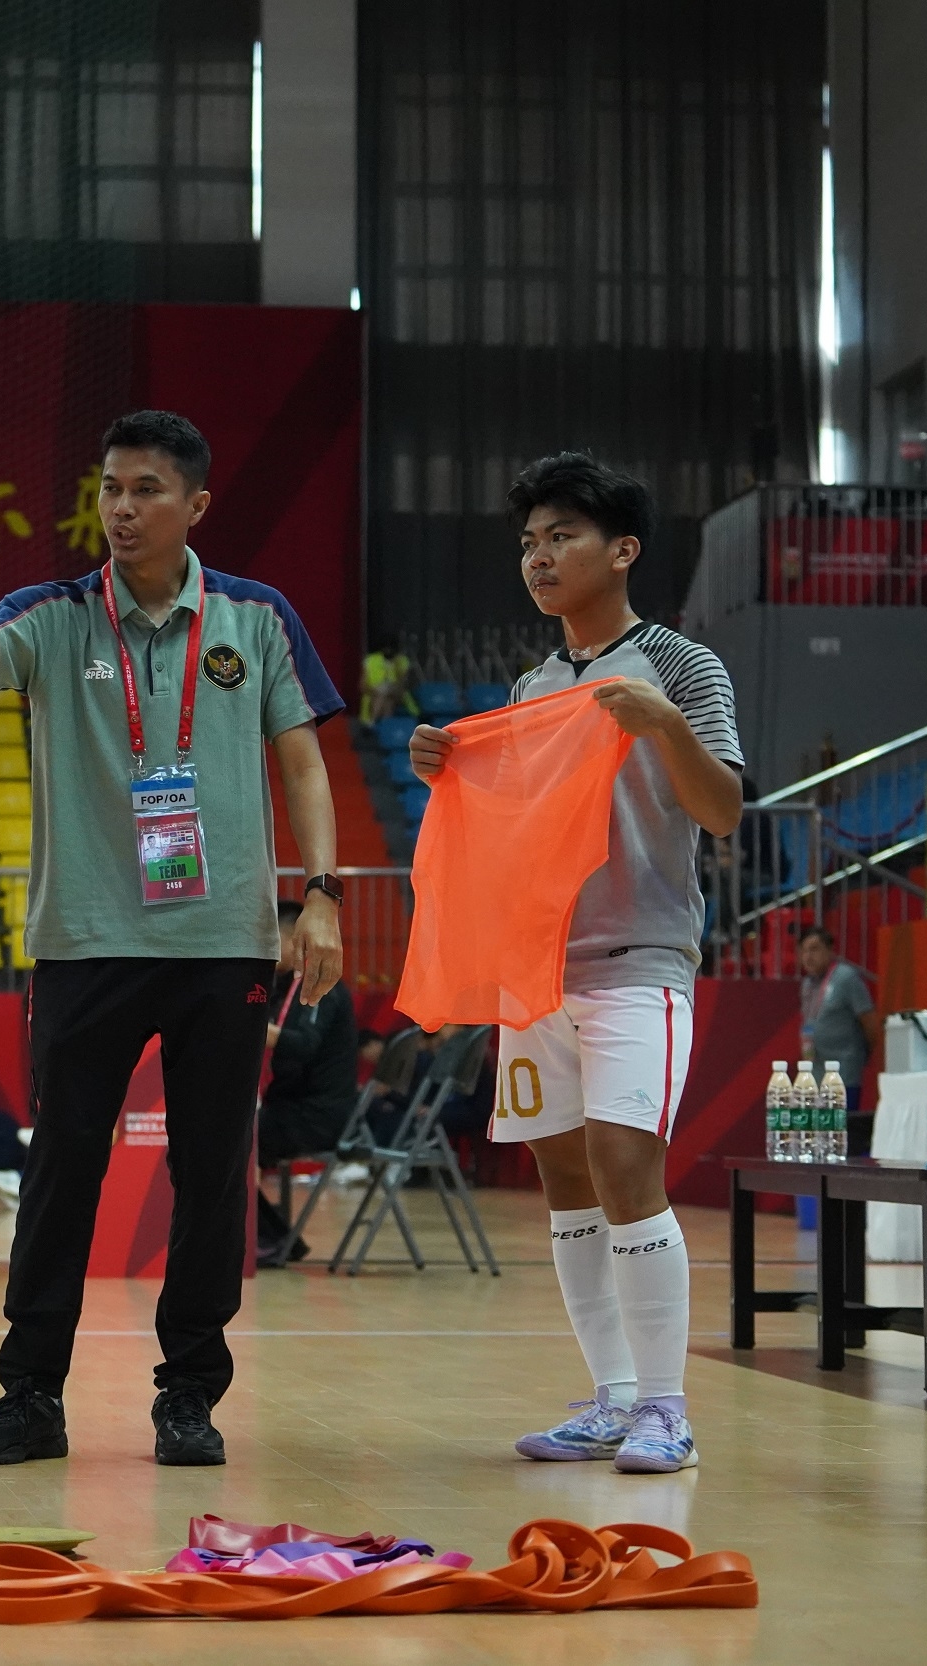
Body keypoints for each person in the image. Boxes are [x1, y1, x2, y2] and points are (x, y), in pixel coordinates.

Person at [0, 408, 346, 1468]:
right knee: (61, 1169)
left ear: (193, 505)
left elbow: (303, 763)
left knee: (211, 1176)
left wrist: (320, 893)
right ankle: (30, 1396)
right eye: (108, 487)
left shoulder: (257, 616)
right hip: (83, 941)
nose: (120, 508)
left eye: (145, 489)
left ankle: (188, 1395)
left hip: (223, 946)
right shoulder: (55, 614)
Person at [413, 452, 743, 1477]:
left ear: (622, 550)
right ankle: (606, 1399)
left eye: (560, 537)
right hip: (541, 970)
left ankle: (665, 1408)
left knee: (626, 1166)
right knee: (564, 1179)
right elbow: (516, 830)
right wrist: (450, 770)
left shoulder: (682, 666)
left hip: (641, 958)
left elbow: (723, 809)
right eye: (527, 543)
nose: (539, 557)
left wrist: (664, 727)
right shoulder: (531, 684)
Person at [256, 899, 361, 1266]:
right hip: (290, 1106)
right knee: (220, 1137)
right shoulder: (283, 985)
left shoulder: (320, 983)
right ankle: (275, 1239)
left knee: (225, 1143)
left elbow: (302, 1046)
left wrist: (251, 1026)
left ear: (294, 938)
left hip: (318, 1115)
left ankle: (269, 1241)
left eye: (273, 939)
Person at [797, 926, 876, 1111]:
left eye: (814, 949)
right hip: (815, 1075)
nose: (808, 956)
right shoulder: (807, 985)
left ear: (830, 950)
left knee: (840, 1134)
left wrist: (859, 1057)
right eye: (804, 951)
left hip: (843, 1076)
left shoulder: (846, 978)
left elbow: (870, 1024)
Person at [360, 636, 416, 728]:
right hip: (376, 694)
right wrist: (376, 691)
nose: (388, 651)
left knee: (386, 692)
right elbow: (362, 686)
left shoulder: (402, 661)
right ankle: (386, 728)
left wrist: (396, 667)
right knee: (386, 700)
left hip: (398, 693)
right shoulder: (370, 660)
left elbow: (402, 684)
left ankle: (372, 722)